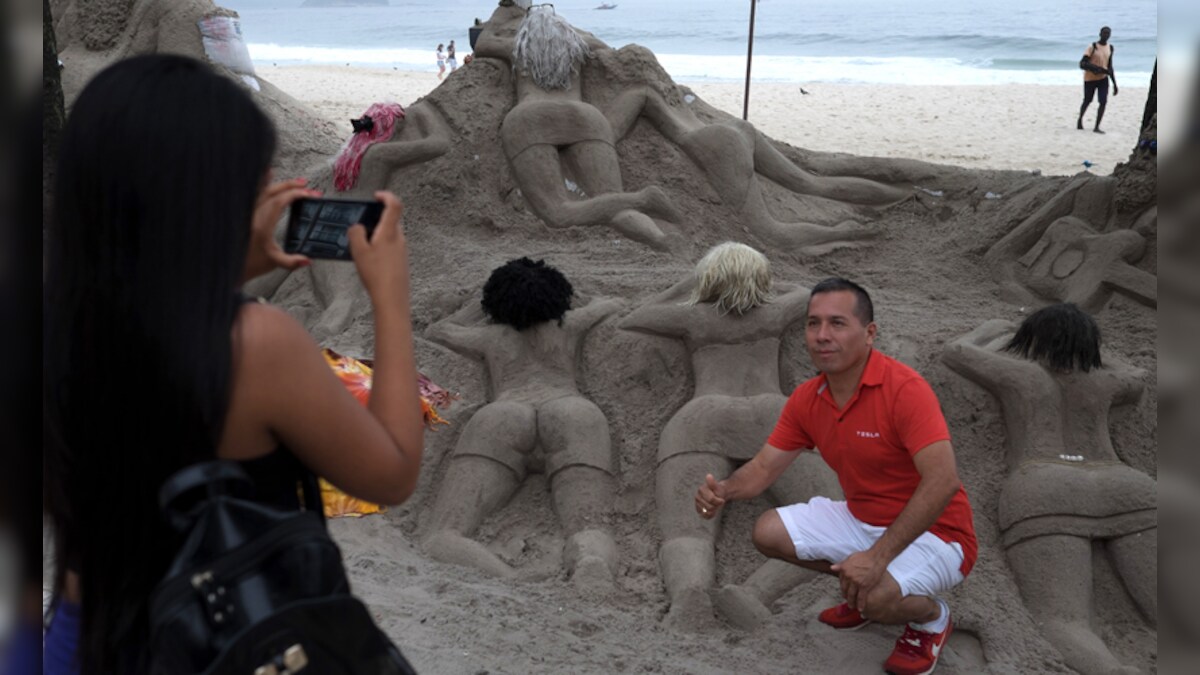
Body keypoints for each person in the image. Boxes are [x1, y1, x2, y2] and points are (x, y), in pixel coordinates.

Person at [42, 54, 425, 674]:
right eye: (256, 178)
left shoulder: (63, 325)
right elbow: (392, 472)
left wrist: (224, 270)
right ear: (207, 200)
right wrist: (391, 299)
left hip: (80, 638)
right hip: (206, 644)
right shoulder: (255, 343)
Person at [694, 278, 977, 675]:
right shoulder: (809, 397)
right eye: (813, 324)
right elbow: (762, 469)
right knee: (768, 532)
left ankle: (929, 618)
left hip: (941, 534)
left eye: (837, 324)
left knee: (879, 598)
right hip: (863, 519)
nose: (822, 336)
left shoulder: (905, 390)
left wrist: (877, 560)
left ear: (869, 333)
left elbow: (943, 482)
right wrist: (723, 490)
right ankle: (862, 593)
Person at [619, 243, 841, 629]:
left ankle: (690, 594)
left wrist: (698, 281)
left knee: (687, 531)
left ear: (708, 277)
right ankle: (755, 592)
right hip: (774, 417)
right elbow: (812, 292)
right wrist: (755, 280)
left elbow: (635, 317)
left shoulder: (694, 318)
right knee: (836, 520)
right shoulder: (774, 312)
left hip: (703, 418)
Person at [942, 305, 1153, 675]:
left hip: (1047, 486)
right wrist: (1094, 350)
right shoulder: (1103, 380)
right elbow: (1137, 375)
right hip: (1125, 487)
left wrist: (992, 329)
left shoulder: (1020, 374)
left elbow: (957, 352)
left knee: (1062, 621)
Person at [422, 258, 623, 591]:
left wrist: (476, 306)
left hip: (505, 414)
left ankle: (509, 577)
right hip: (571, 412)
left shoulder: (490, 336)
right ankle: (591, 562)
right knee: (590, 526)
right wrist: (582, 296)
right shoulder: (569, 323)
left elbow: (437, 331)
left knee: (444, 533)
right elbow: (613, 304)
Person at [472, 1, 680, 249]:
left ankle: (642, 199)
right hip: (585, 117)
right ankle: (659, 239)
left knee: (556, 212)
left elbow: (482, 43)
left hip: (532, 119)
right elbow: (603, 46)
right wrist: (571, 30)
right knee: (612, 201)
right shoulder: (576, 44)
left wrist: (503, 12)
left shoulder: (519, 45)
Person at [1078, 26, 1119, 133]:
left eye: (1108, 33)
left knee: (1103, 101)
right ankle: (1080, 119)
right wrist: (1096, 69)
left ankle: (1096, 127)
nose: (1106, 35)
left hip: (1103, 79)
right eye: (1104, 33)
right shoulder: (1092, 47)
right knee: (1087, 100)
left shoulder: (1110, 48)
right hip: (1090, 79)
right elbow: (1082, 63)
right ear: (1100, 34)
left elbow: (1110, 66)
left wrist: (1115, 83)